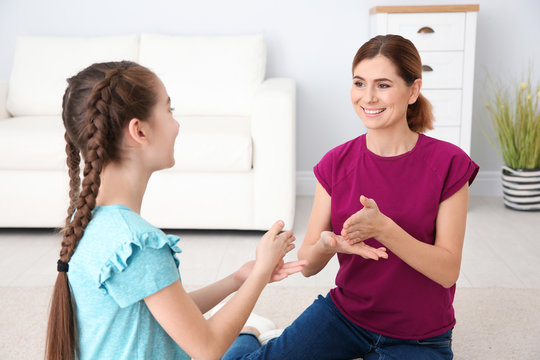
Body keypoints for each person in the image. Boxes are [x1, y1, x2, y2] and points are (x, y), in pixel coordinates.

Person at [220, 34, 479, 360]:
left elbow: (447, 271)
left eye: (383, 85)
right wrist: (327, 245)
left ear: (413, 90)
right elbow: (309, 265)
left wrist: (384, 229)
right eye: (359, 83)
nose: (368, 97)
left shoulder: (448, 163)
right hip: (345, 318)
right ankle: (249, 333)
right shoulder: (335, 164)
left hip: (418, 338)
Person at [45, 61, 309, 360]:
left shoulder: (86, 221)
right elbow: (207, 347)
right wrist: (262, 272)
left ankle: (248, 332)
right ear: (140, 130)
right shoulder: (136, 244)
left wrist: (239, 279)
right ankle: (249, 334)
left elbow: (164, 314)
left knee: (241, 339)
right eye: (169, 110)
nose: (176, 124)